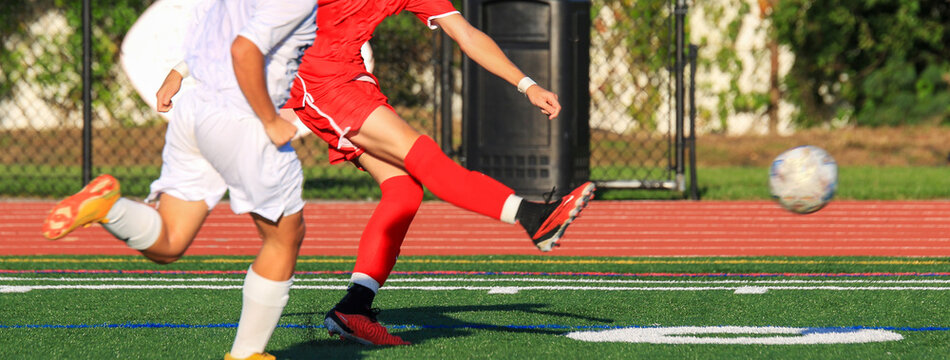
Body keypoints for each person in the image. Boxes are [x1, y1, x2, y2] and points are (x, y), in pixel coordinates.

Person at [286, 0, 596, 346]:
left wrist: (528, 85)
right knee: (423, 154)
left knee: (404, 190)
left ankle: (353, 308)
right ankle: (532, 215)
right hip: (320, 81)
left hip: (353, 78)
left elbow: (466, 34)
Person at [41, 1, 317, 359]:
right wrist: (269, 119)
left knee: (169, 240)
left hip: (196, 109)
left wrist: (177, 73)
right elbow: (243, 48)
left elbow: (211, 35)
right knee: (284, 237)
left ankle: (110, 208)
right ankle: (247, 354)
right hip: (242, 119)